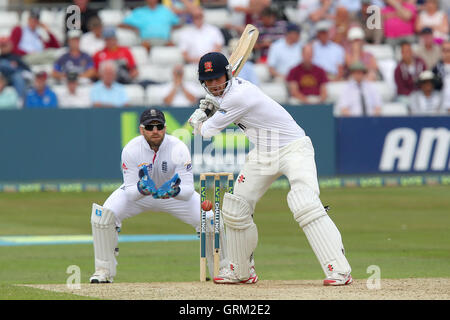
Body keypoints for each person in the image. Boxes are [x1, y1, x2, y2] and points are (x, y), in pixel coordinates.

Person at [188, 52, 353, 286]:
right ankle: (240, 271)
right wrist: (213, 107)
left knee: (304, 201)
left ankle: (339, 271)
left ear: (228, 74)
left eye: (218, 78)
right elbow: (221, 105)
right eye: (209, 80)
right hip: (263, 153)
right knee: (236, 208)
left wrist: (199, 119)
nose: (214, 85)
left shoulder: (239, 96)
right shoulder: (229, 96)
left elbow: (206, 132)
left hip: (293, 148)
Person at [89, 108, 228, 283]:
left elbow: (187, 190)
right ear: (141, 129)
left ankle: (220, 270)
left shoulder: (178, 147)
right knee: (104, 215)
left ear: (165, 127)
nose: (155, 131)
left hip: (171, 196)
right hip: (140, 196)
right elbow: (130, 192)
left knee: (210, 218)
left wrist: (174, 190)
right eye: (149, 127)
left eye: (159, 126)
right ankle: (103, 271)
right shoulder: (131, 149)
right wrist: (142, 188)